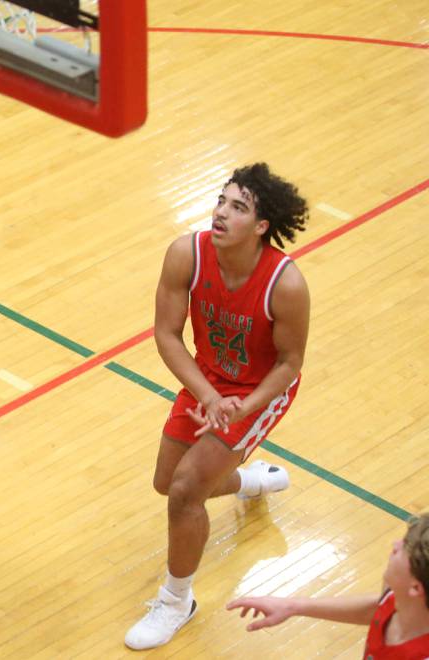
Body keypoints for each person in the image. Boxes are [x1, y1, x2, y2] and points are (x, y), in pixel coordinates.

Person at [125, 163, 311, 650]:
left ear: (262, 226)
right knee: (167, 481)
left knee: (186, 492)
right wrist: (208, 395)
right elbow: (166, 334)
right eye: (222, 201)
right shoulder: (186, 253)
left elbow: (290, 364)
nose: (221, 213)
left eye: (238, 207)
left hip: (257, 391)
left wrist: (241, 404)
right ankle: (250, 481)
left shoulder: (285, 285)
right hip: (208, 382)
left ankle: (176, 601)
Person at [227, 513, 429, 659]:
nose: (395, 545)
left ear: (416, 588)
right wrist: (293, 606)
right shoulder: (400, 597)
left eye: (404, 550)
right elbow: (378, 609)